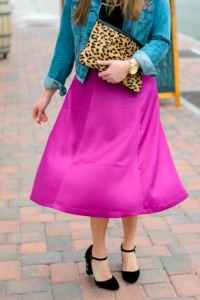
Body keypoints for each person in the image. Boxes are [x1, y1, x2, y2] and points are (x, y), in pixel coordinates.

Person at [30, 0, 188, 291]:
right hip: (89, 92)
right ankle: (98, 253)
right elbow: (65, 46)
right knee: (96, 175)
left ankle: (129, 248)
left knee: (133, 173)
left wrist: (129, 65)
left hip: (134, 91)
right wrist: (47, 94)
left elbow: (162, 39)